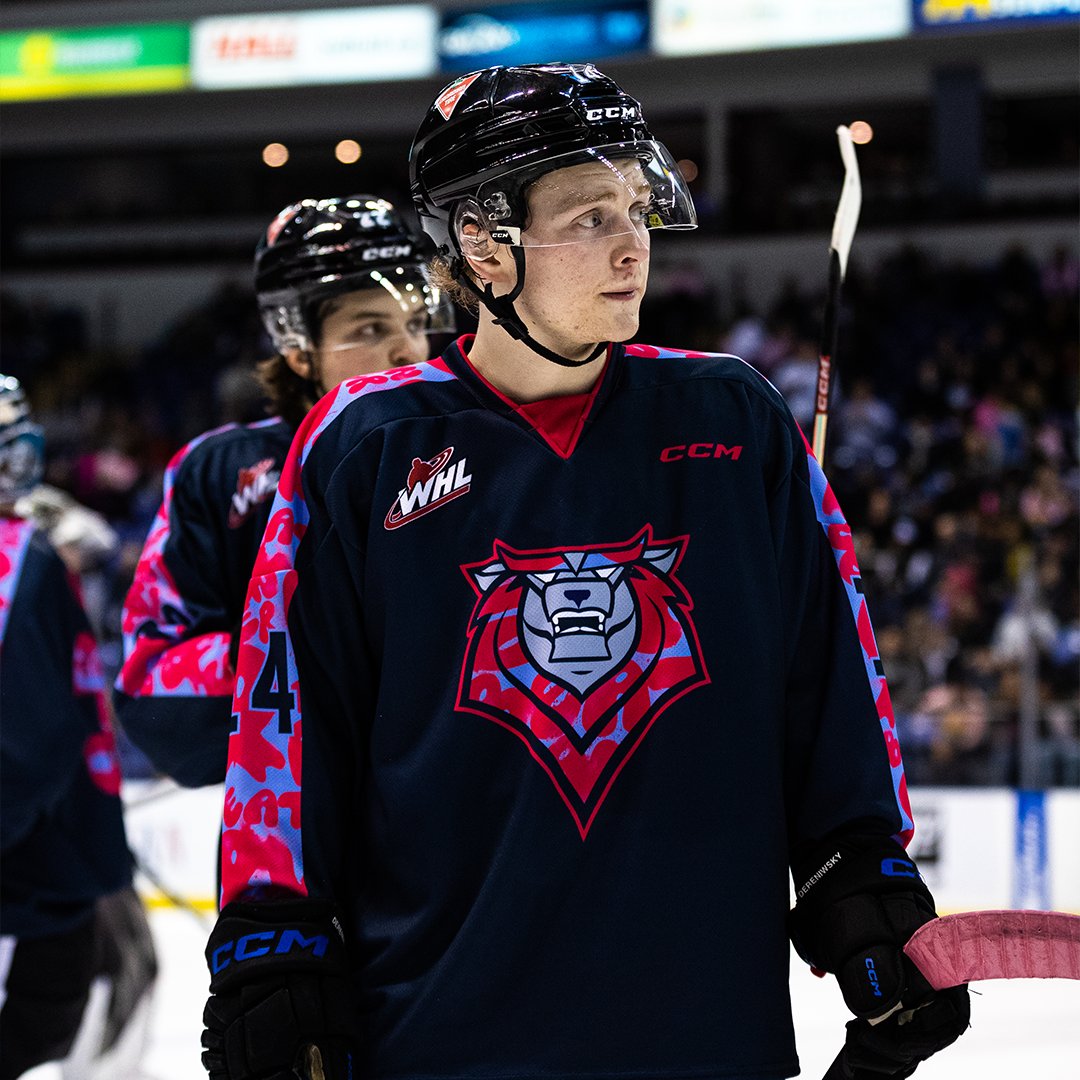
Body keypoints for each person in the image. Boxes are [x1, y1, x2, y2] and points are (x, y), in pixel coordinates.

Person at [202, 65, 969, 1080]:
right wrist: (276, 941)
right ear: (482, 242)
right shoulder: (365, 446)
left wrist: (859, 872)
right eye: (589, 214)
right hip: (438, 1035)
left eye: (638, 206)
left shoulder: (733, 422)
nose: (632, 244)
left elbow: (829, 681)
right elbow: (289, 721)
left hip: (706, 1035)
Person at [115, 195, 454, 788]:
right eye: (371, 327)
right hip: (290, 843)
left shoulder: (469, 452)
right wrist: (312, 647)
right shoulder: (218, 472)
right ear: (297, 347)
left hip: (453, 839)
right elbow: (154, 685)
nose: (409, 351)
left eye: (416, 324)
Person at [0, 375, 154, 1079]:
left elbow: (31, 749)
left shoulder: (30, 544)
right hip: (52, 878)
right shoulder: (24, 552)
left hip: (47, 878)